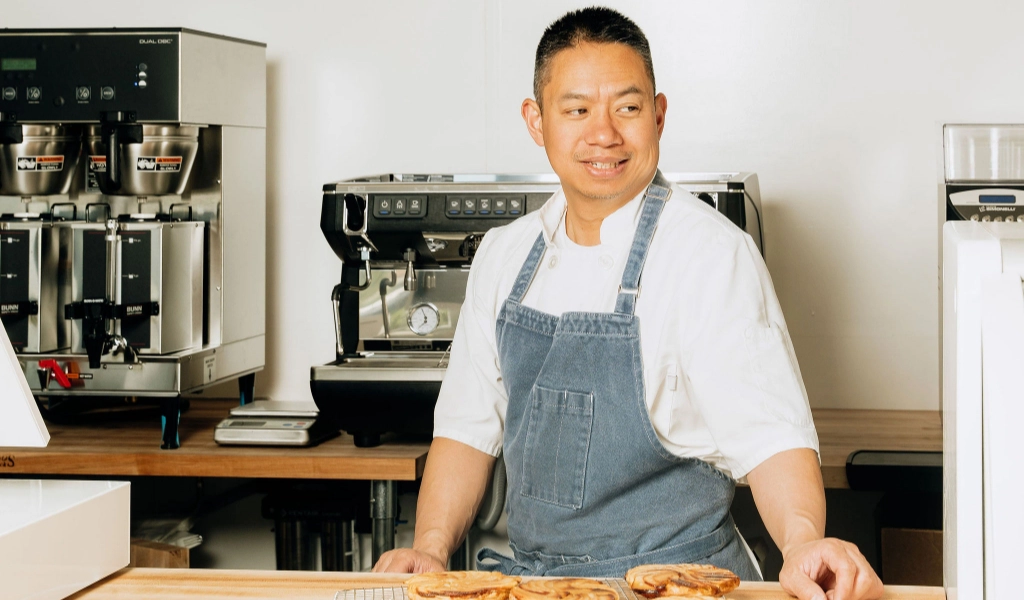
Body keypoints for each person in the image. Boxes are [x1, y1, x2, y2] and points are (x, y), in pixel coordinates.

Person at [374, 7, 884, 600]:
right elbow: (465, 430)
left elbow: (772, 435)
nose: (604, 135)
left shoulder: (710, 254)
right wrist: (429, 547)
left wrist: (801, 543)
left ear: (659, 115)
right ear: (536, 122)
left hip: (682, 586)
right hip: (541, 586)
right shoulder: (504, 255)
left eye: (628, 107)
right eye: (577, 110)